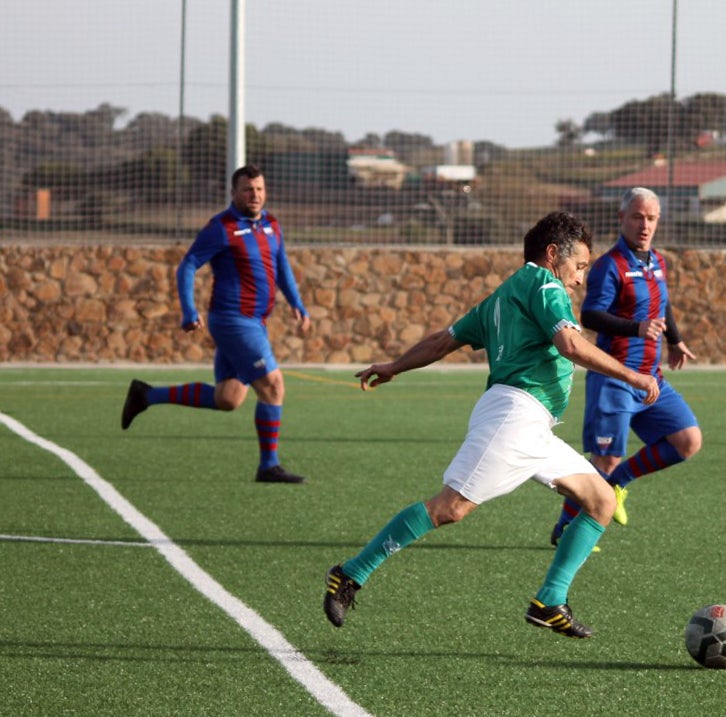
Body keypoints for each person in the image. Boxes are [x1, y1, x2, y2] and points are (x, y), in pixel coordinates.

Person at [323, 212, 659, 638]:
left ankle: (549, 602)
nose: (578, 280)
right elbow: (570, 343)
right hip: (514, 416)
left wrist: (395, 366)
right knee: (450, 508)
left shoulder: (502, 296)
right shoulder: (543, 285)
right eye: (578, 267)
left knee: (600, 501)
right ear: (553, 255)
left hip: (533, 425)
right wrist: (633, 375)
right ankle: (349, 574)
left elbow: (444, 340)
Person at [120, 165, 312, 483]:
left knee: (228, 398)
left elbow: (281, 265)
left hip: (255, 322)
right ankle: (269, 466)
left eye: (260, 189)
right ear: (234, 193)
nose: (256, 195)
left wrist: (297, 304)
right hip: (233, 321)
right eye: (249, 189)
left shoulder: (271, 224)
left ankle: (146, 396)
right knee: (273, 386)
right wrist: (188, 311)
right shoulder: (221, 227)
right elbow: (188, 265)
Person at [548, 187, 702, 547]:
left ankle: (619, 484)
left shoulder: (657, 262)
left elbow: (663, 305)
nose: (644, 224)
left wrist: (675, 339)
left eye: (651, 218)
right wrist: (636, 327)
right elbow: (590, 315)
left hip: (651, 378)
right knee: (604, 458)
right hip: (614, 377)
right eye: (637, 216)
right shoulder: (609, 266)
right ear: (622, 219)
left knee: (687, 440)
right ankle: (565, 526)